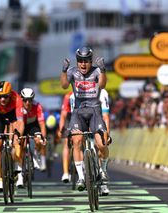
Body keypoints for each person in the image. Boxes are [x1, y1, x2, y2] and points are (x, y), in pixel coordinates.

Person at [60, 46, 109, 193]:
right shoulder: (72, 72)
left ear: (91, 61)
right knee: (76, 141)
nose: (83, 64)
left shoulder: (97, 71)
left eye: (86, 61)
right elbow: (63, 85)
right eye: (80, 61)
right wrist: (63, 71)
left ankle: (103, 169)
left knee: (102, 144)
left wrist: (104, 71)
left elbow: (103, 85)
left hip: (95, 111)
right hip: (78, 112)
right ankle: (81, 176)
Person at [20, 88, 47, 171]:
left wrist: (43, 137)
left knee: (39, 140)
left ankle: (37, 154)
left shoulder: (37, 106)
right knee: (22, 145)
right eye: (25, 100)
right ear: (22, 100)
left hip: (33, 125)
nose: (27, 103)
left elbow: (42, 123)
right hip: (22, 125)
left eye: (30, 100)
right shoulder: (18, 106)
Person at [57, 91, 73, 183]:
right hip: (69, 117)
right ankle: (66, 173)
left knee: (81, 139)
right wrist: (60, 129)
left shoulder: (87, 93)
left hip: (81, 115)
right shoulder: (68, 96)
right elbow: (63, 115)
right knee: (66, 143)